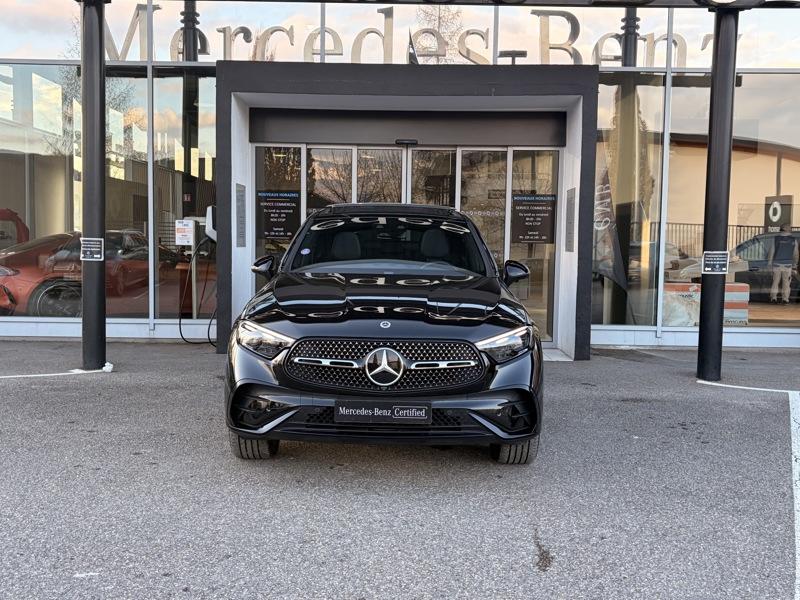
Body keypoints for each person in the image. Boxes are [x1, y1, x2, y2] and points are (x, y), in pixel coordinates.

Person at [767, 223, 799, 304]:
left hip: (776, 265)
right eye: (790, 228)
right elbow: (796, 254)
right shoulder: (793, 240)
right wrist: (795, 264)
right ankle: (785, 299)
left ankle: (773, 298)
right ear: (787, 229)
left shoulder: (775, 239)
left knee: (775, 282)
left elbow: (771, 252)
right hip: (788, 265)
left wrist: (769, 263)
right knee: (787, 283)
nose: (791, 229)